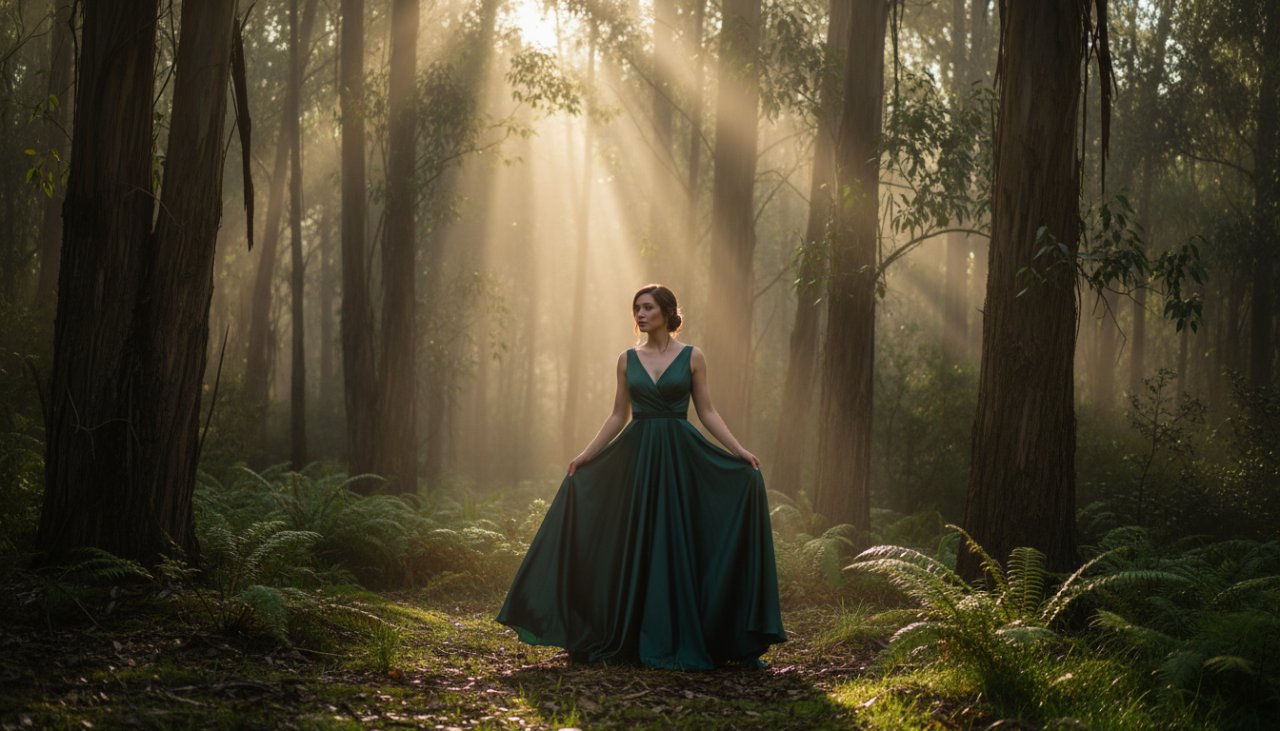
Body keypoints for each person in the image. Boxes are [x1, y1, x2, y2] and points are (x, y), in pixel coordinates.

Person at [496, 284, 786, 670]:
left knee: (679, 539)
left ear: (667, 312)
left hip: (680, 459)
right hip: (638, 458)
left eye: (647, 307)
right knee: (635, 541)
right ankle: (628, 633)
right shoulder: (626, 360)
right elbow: (618, 415)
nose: (640, 314)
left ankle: (692, 633)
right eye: (636, 309)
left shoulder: (693, 356)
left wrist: (739, 451)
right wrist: (585, 455)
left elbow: (707, 412)